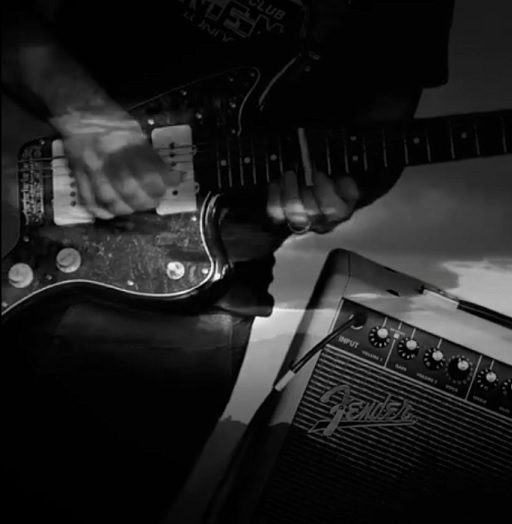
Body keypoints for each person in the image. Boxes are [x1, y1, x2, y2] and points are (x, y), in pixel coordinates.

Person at [0, 0, 454, 522]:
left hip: (199, 286)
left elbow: (382, 132)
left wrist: (337, 194)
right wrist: (80, 108)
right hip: (27, 158)